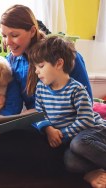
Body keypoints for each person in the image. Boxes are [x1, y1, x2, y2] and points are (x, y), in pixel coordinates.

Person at [0, 4, 93, 173]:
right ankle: (66, 163)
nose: (7, 42)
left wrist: (60, 132)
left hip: (70, 127)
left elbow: (86, 103)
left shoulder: (63, 55)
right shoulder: (12, 61)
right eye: (4, 36)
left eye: (14, 35)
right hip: (40, 126)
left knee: (76, 151)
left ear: (32, 31)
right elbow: (13, 106)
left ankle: (71, 162)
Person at [29, 35, 106, 188]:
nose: (37, 71)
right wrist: (48, 128)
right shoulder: (41, 88)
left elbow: (86, 120)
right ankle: (93, 171)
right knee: (70, 162)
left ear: (58, 64)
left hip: (93, 131)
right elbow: (38, 113)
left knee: (79, 144)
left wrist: (62, 134)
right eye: (35, 67)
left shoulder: (76, 89)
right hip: (71, 139)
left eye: (41, 66)